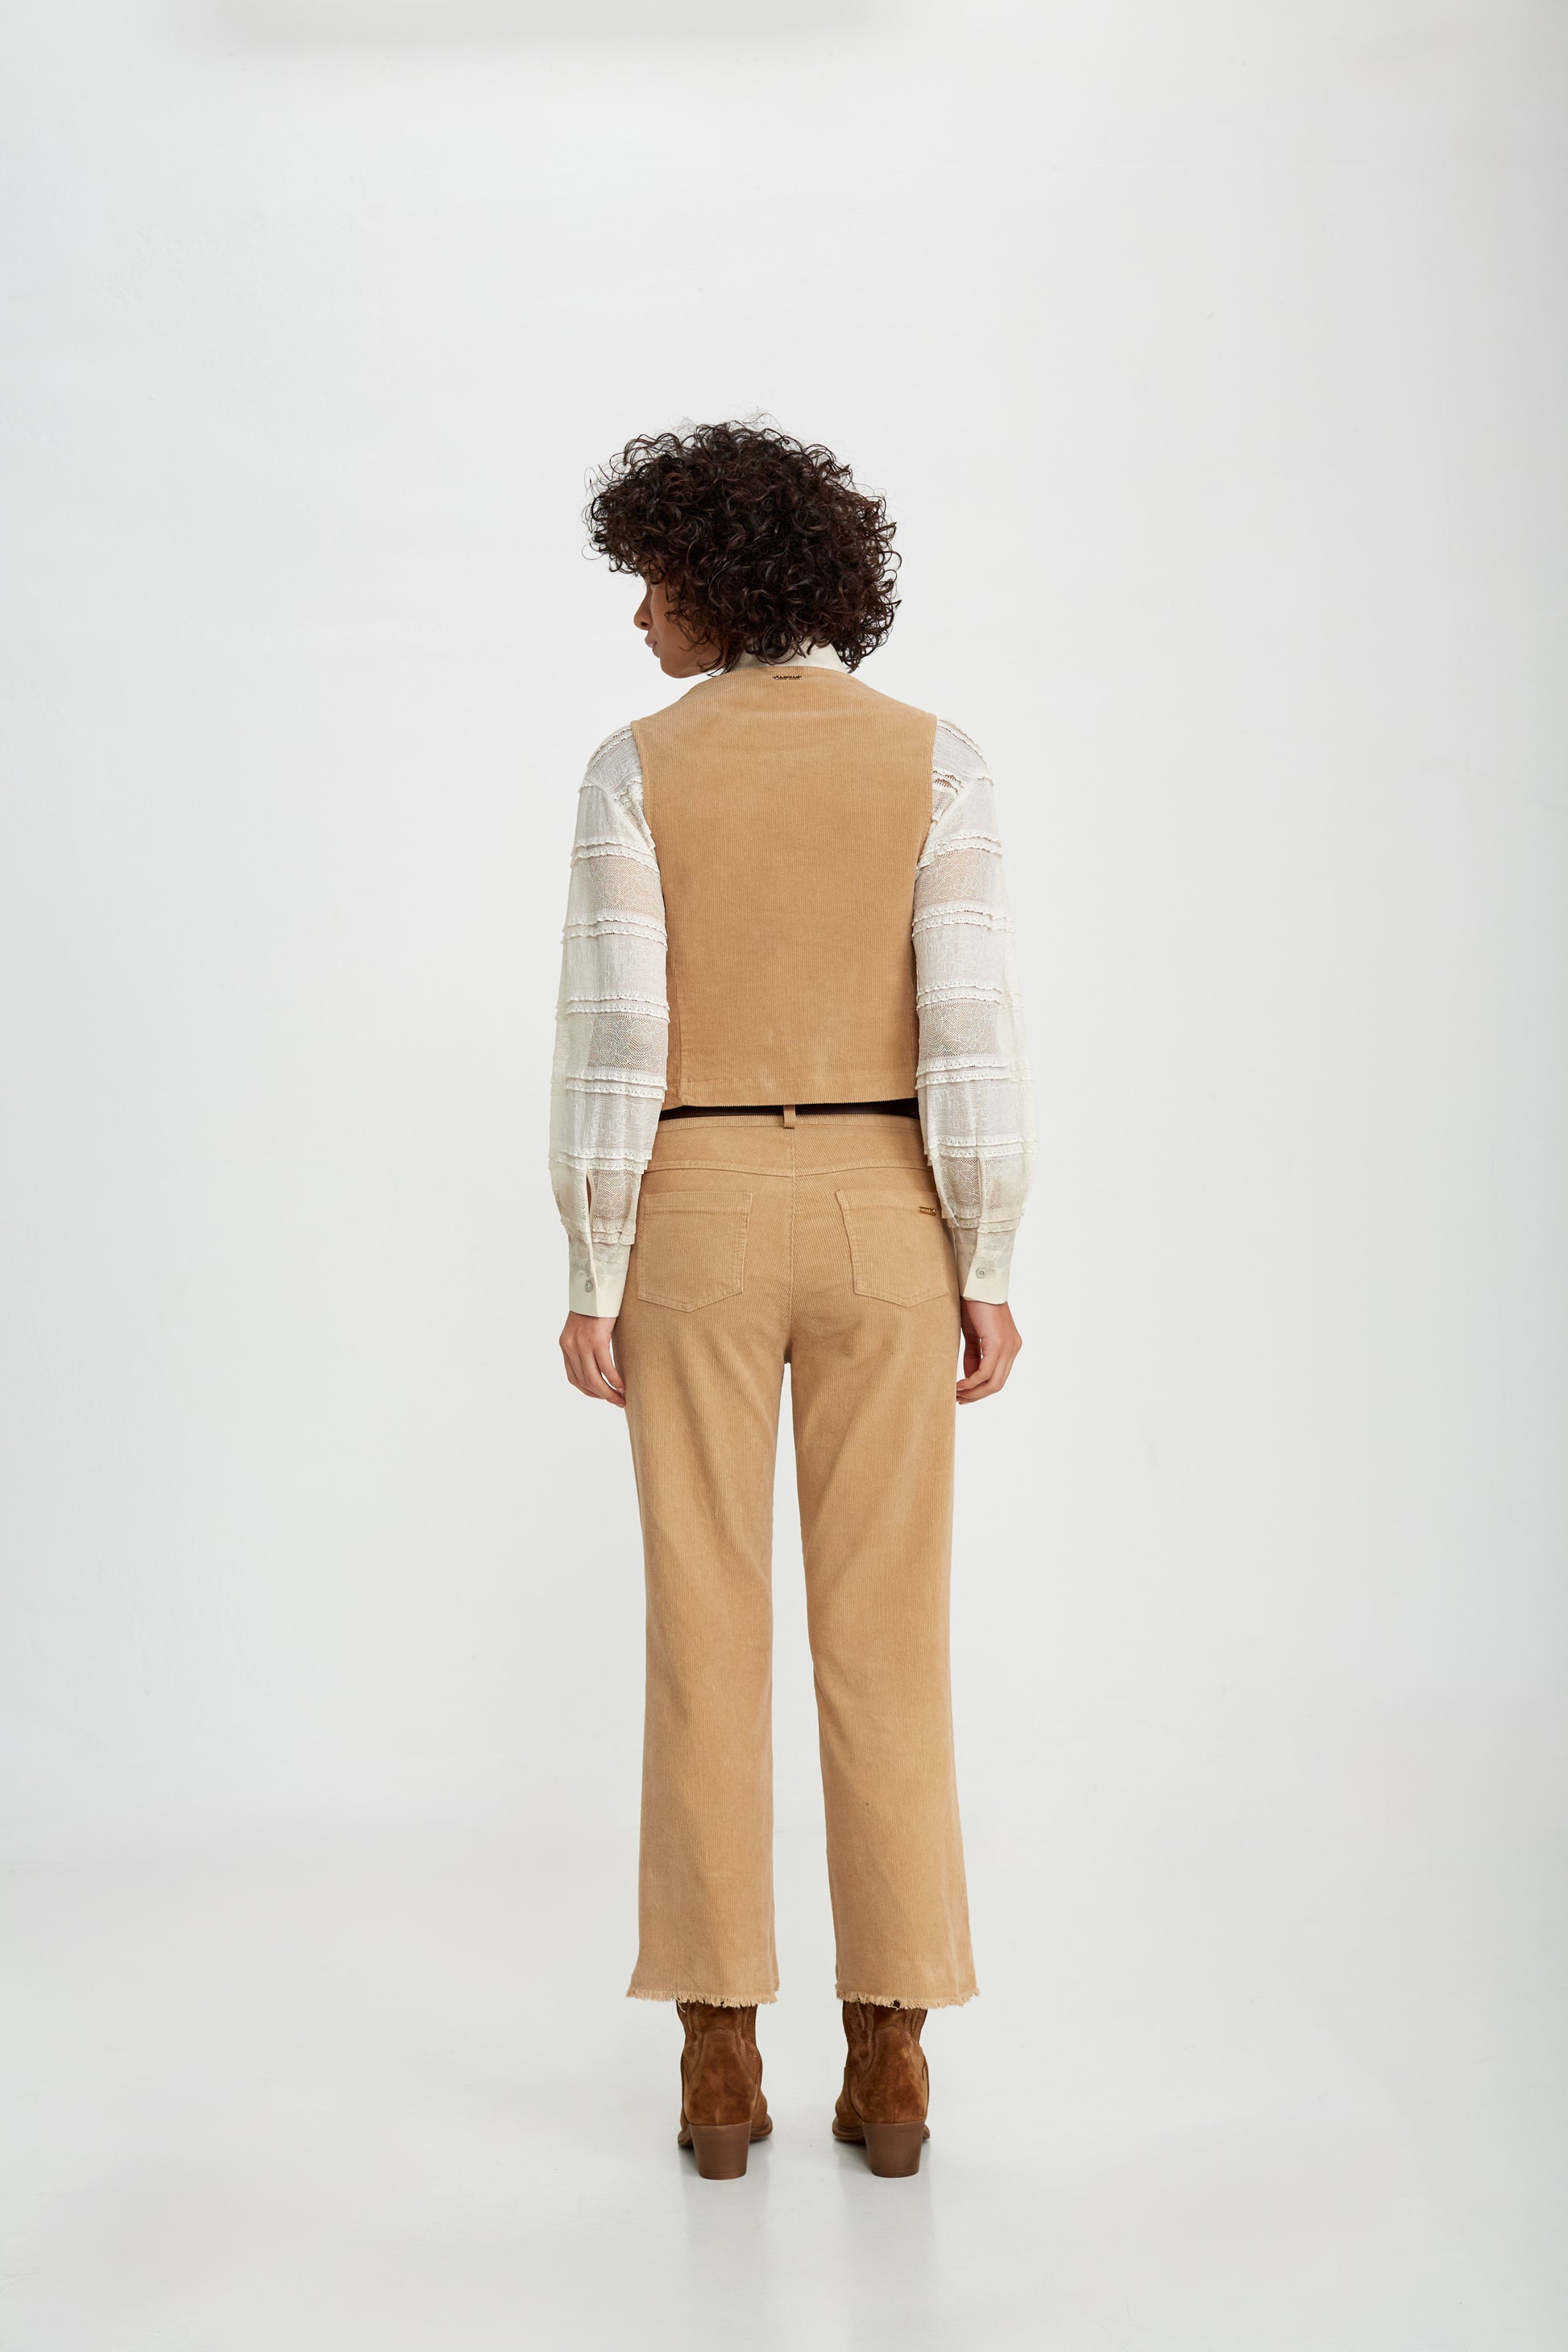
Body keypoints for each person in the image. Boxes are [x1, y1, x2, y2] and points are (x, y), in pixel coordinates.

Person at [550, 421, 1033, 2178]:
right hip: (885, 1206)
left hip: (691, 1208)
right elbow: (966, 1028)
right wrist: (984, 1252)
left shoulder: (635, 769)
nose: (640, 618)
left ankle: (716, 2056)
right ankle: (891, 2054)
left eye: (653, 584)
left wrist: (594, 1258)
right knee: (887, 1631)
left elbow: (619, 1036)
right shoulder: (933, 758)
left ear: (719, 580)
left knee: (704, 1624)